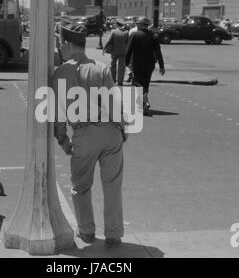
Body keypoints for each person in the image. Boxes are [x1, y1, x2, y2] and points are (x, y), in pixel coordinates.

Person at [53, 19, 127, 248]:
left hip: (83, 134)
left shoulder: (59, 74)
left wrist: (63, 139)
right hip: (109, 131)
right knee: (112, 186)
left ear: (66, 44)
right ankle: (114, 234)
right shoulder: (101, 68)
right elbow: (114, 103)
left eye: (60, 43)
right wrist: (122, 129)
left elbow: (57, 113)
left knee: (81, 187)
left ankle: (86, 232)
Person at [125, 16, 165, 117]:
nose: (136, 25)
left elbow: (129, 50)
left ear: (141, 25)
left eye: (137, 24)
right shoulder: (153, 35)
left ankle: (145, 103)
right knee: (145, 83)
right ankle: (143, 106)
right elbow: (158, 51)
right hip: (150, 64)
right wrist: (161, 66)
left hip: (137, 63)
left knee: (138, 83)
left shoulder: (135, 35)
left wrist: (126, 63)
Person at [103, 21, 129, 86]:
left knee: (113, 65)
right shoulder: (126, 32)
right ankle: (120, 81)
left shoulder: (114, 32)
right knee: (121, 67)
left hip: (114, 51)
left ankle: (113, 79)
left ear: (117, 25)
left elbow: (109, 40)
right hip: (123, 52)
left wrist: (104, 48)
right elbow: (128, 42)